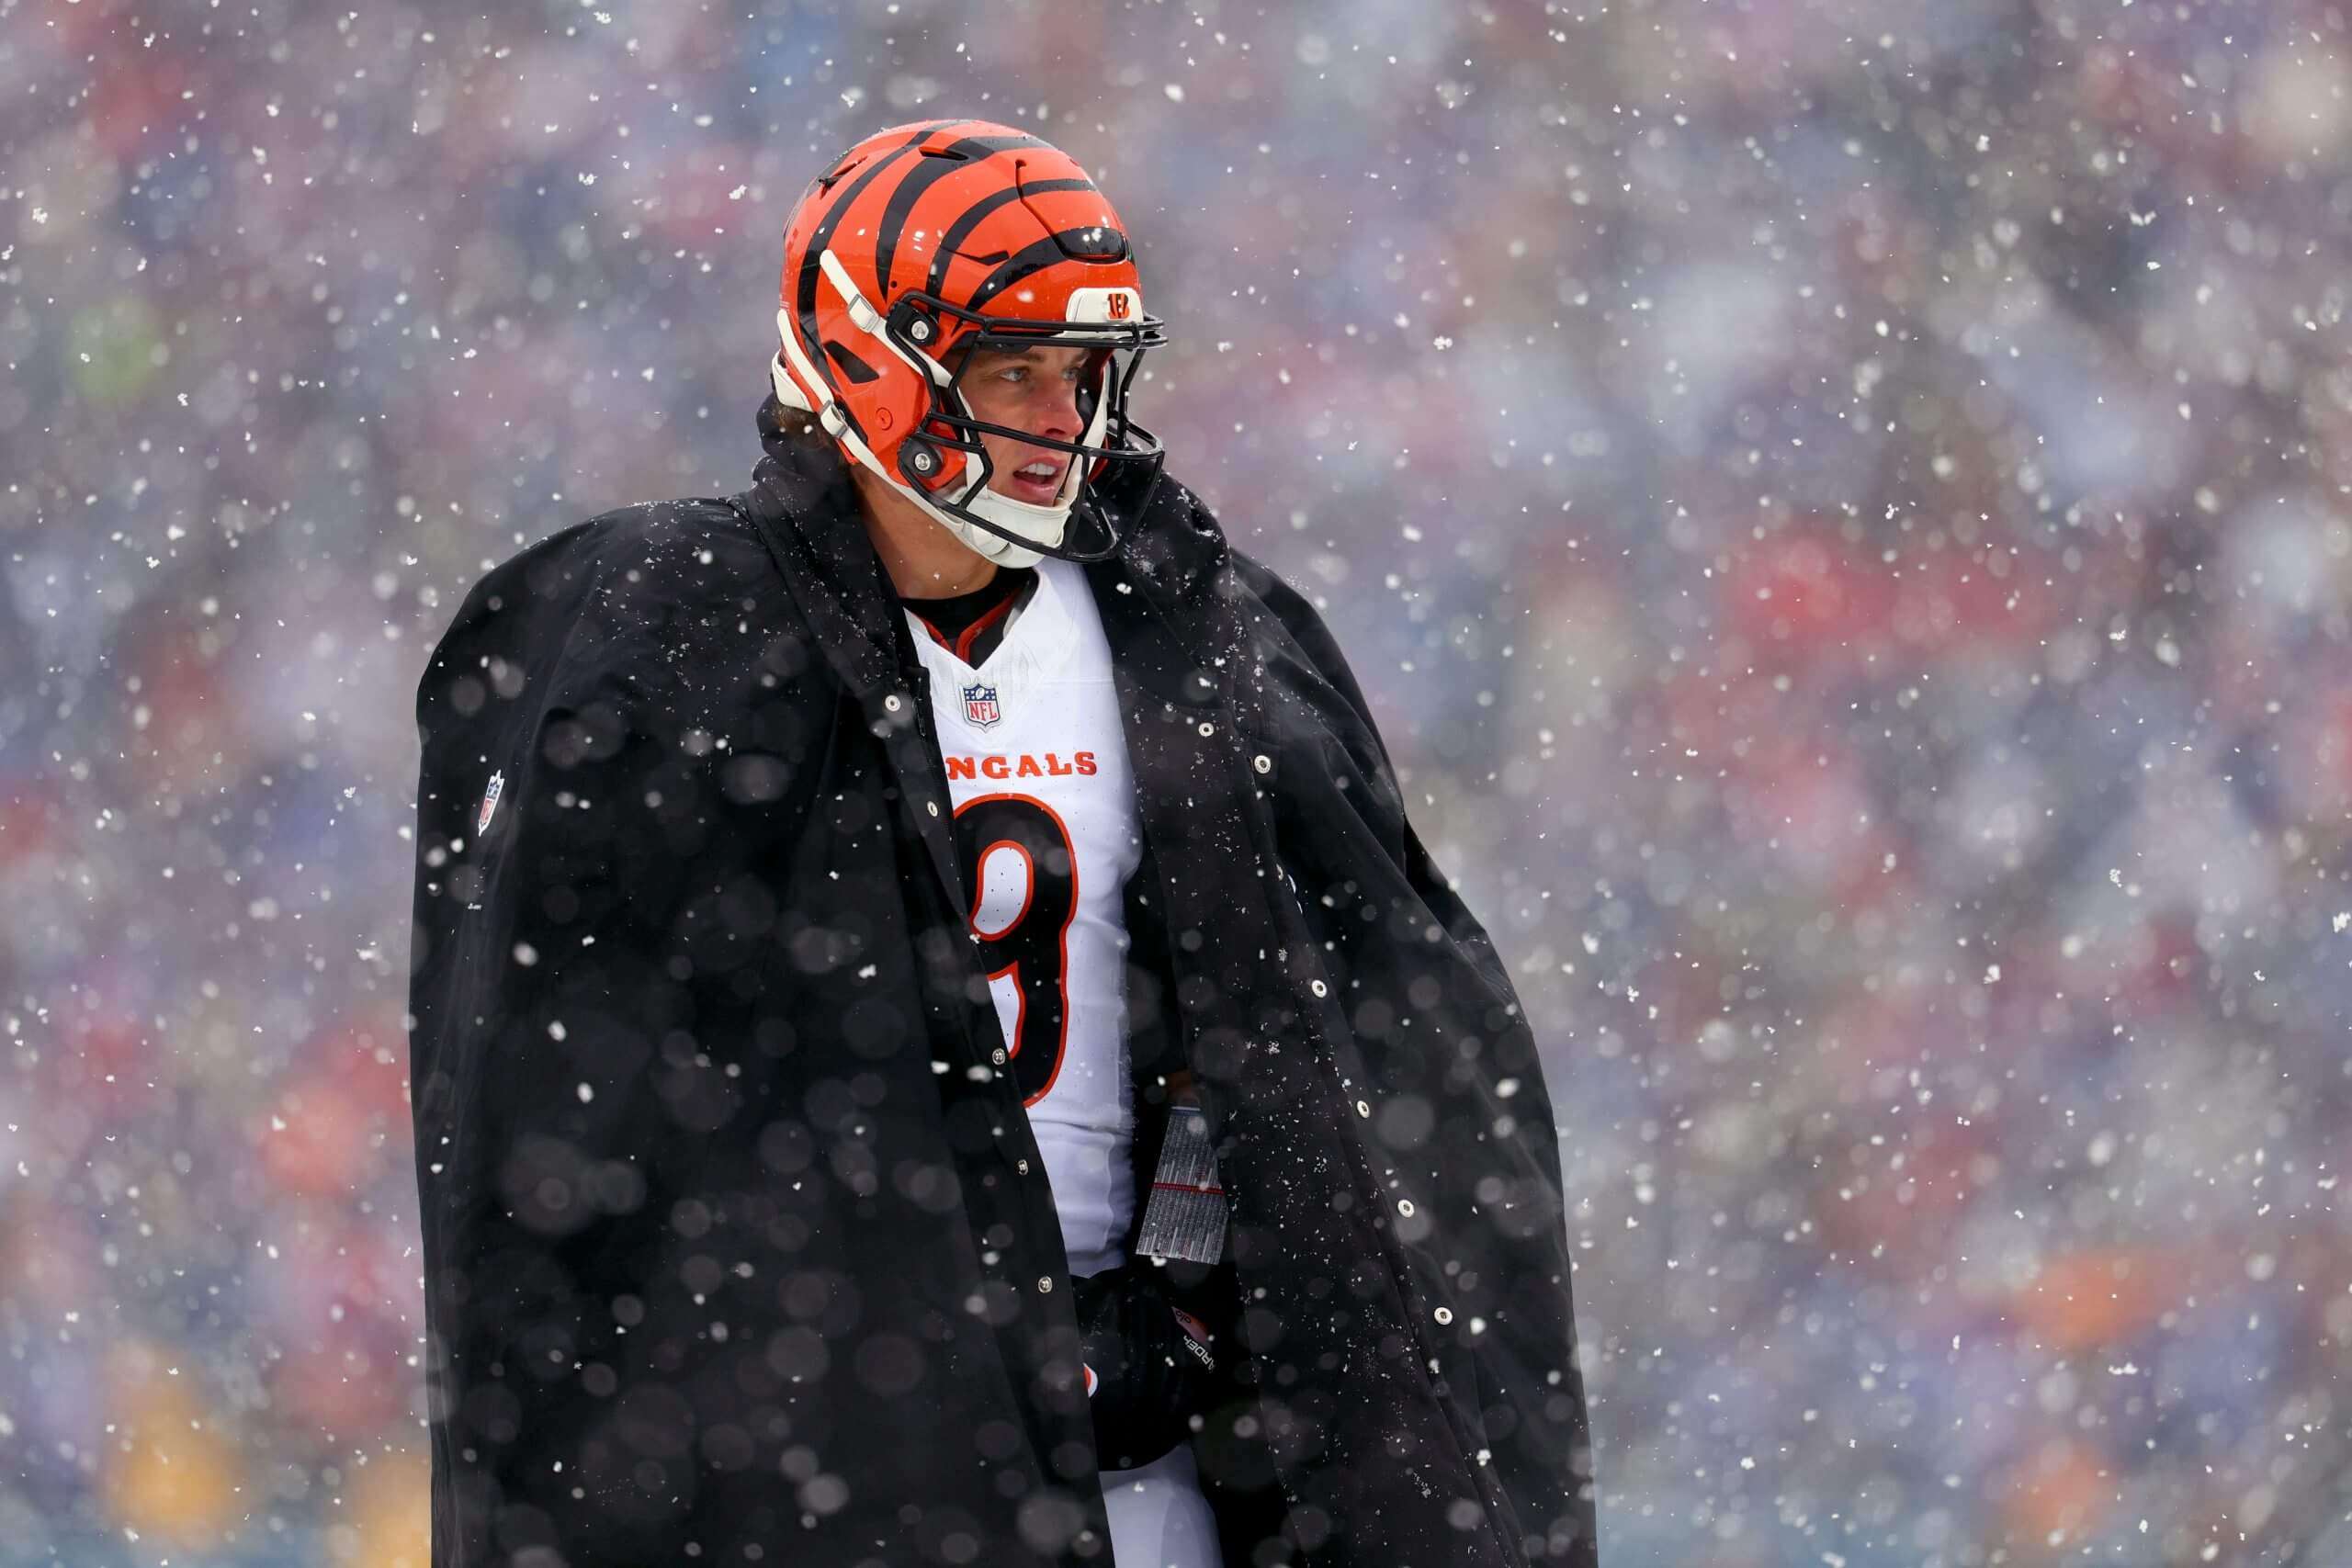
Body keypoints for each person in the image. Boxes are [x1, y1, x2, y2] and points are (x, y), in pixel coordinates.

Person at [406, 118, 1597, 1568]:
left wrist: (1181, 1281)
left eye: (1081, 373)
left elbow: (1314, 1037)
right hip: (852, 1458)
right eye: (1008, 367)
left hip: (1150, 1449)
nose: (1057, 416)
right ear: (864, 353)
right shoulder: (679, 635)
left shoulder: (1203, 639)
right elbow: (594, 1106)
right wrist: (886, 1352)